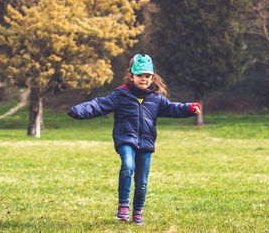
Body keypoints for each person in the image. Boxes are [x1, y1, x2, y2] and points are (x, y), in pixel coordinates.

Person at [67, 54, 201, 225]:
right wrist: (79, 111)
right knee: (127, 166)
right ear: (132, 76)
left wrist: (189, 108)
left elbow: (174, 108)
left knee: (142, 182)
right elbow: (99, 105)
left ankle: (138, 212)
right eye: (140, 75)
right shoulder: (121, 94)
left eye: (147, 76)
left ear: (152, 77)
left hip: (146, 143)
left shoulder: (156, 98)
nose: (144, 79)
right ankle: (123, 207)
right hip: (125, 140)